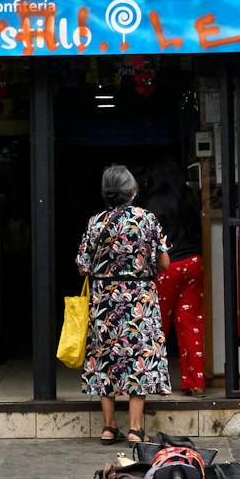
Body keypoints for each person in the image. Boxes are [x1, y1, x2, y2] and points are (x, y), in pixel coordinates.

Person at [76, 164, 172, 445]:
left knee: (105, 360)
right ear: (131, 190)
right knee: (138, 360)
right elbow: (164, 262)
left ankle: (108, 428)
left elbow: (82, 267)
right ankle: (135, 429)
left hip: (105, 300)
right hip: (139, 299)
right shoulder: (146, 219)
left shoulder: (96, 222)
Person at [141, 157, 207, 394]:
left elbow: (150, 244)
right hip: (194, 262)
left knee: (158, 325)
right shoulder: (190, 199)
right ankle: (195, 382)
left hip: (169, 267)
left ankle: (158, 382)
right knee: (191, 323)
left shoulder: (153, 205)